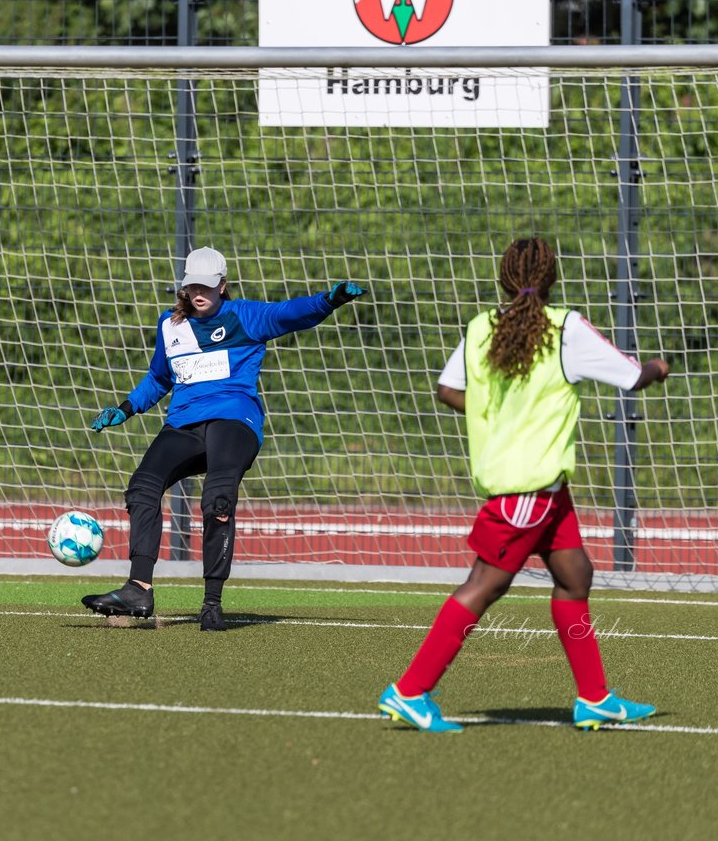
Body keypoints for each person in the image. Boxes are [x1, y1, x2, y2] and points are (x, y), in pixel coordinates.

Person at [377, 238, 669, 732]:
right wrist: (658, 368)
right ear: (553, 279)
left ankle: (595, 698)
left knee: (575, 577)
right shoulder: (565, 329)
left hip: (546, 488)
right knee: (484, 586)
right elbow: (632, 377)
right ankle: (410, 690)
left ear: (503, 278)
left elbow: (448, 389)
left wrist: (500, 418)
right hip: (527, 488)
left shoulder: (479, 327)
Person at [85, 246, 365, 630]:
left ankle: (212, 604)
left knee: (216, 497)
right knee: (142, 487)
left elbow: (291, 313)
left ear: (223, 285)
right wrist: (127, 407)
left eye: (207, 285)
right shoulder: (170, 325)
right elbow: (159, 378)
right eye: (192, 285)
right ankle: (138, 588)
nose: (198, 292)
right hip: (184, 423)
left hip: (234, 421)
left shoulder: (246, 316)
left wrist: (329, 301)